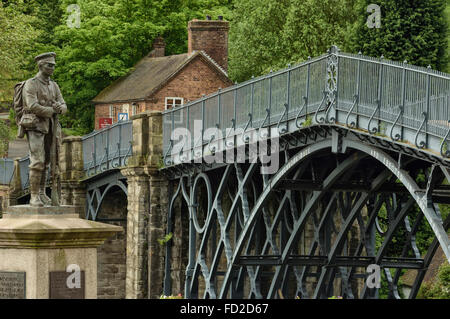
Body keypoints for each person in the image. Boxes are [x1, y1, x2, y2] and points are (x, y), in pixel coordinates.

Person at [21, 52, 67, 206]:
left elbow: (63, 104)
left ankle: (42, 192)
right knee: (37, 161)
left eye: (54, 65)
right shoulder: (31, 83)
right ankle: (34, 196)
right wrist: (52, 110)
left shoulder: (54, 85)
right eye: (50, 65)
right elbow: (32, 105)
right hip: (35, 126)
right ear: (41, 66)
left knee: (48, 161)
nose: (53, 67)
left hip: (52, 128)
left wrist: (60, 107)